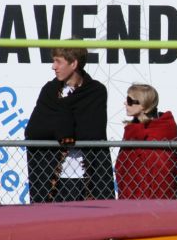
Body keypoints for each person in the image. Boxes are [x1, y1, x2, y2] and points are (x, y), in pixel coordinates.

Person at [24, 45, 115, 202]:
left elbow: (93, 131)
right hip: (52, 178)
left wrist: (63, 127)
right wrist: (64, 126)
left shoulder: (96, 91)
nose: (54, 67)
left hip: (88, 177)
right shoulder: (49, 91)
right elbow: (34, 130)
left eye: (58, 62)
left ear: (73, 64)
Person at [115, 84, 177, 200]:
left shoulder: (164, 129)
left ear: (144, 106)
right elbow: (123, 165)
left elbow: (164, 168)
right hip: (130, 196)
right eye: (126, 99)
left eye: (130, 100)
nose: (125, 103)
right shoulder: (132, 130)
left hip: (158, 198)